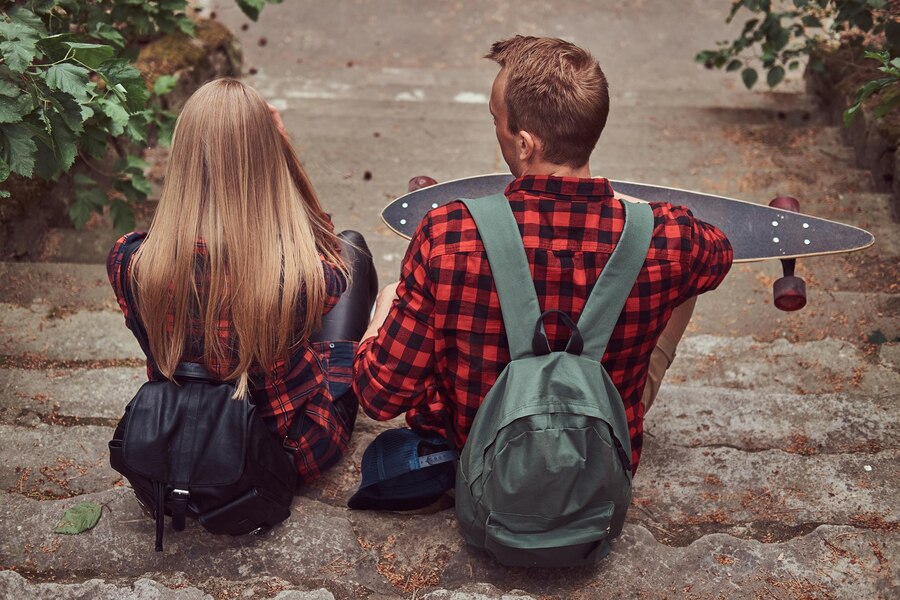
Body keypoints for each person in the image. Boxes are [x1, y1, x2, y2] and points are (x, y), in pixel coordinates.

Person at [352, 36, 733, 482]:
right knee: (683, 277)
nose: (495, 129)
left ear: (526, 144)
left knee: (403, 294)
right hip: (599, 463)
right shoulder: (671, 237)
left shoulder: (447, 234)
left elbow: (379, 397)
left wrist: (384, 308)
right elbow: (721, 253)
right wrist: (627, 209)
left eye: (497, 119)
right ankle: (622, 402)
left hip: (482, 461)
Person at [107, 78, 376, 485]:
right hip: (280, 452)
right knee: (353, 247)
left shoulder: (130, 262)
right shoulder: (301, 276)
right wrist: (284, 151)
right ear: (267, 160)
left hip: (181, 445)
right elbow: (332, 254)